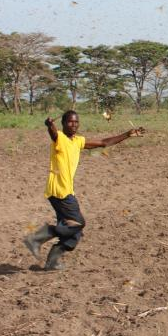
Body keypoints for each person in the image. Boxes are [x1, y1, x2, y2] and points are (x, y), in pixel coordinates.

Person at [23, 110, 145, 270]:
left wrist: (127, 134)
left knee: (75, 233)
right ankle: (37, 238)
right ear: (63, 123)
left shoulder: (78, 141)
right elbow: (53, 133)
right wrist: (49, 125)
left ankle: (52, 261)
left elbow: (103, 143)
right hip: (60, 191)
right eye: (70, 122)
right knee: (78, 223)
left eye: (76, 122)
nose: (74, 125)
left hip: (66, 191)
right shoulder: (60, 138)